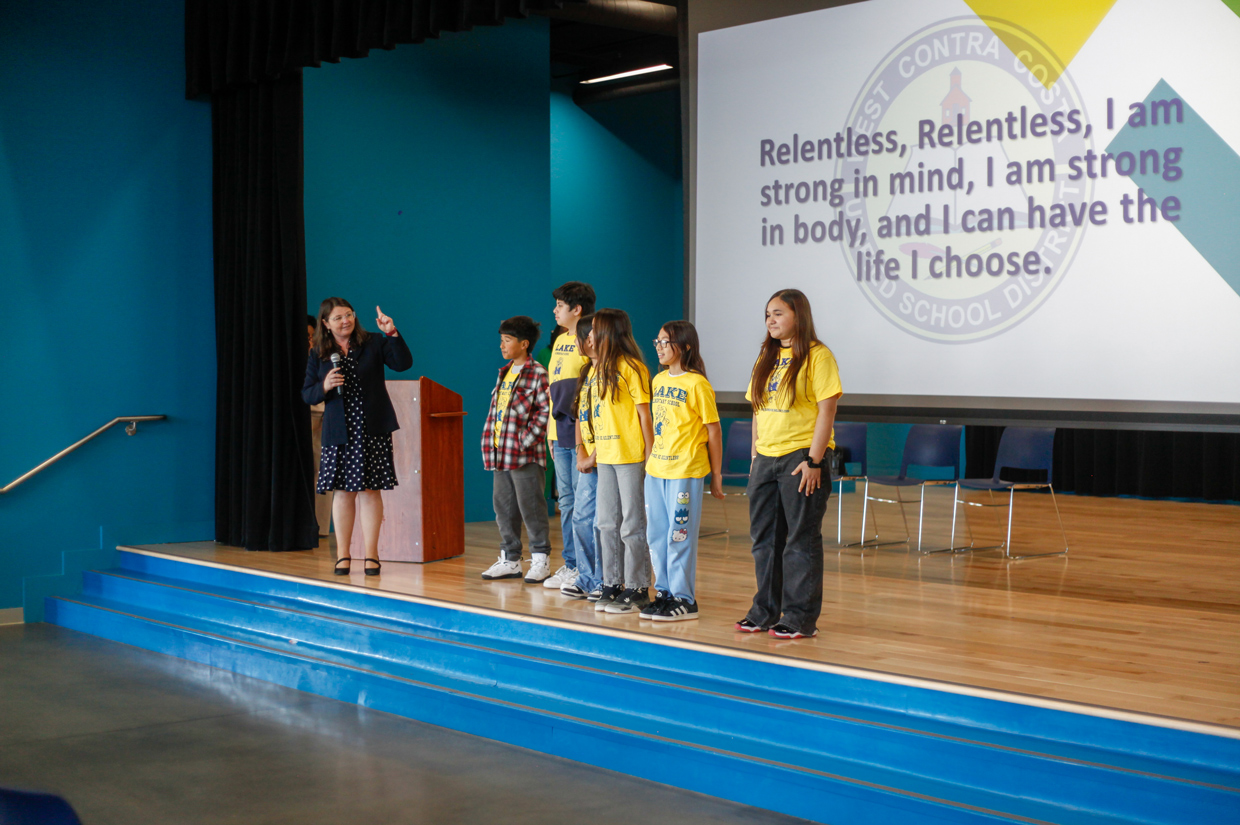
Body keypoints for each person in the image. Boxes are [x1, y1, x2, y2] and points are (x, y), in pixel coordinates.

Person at [736, 289, 842, 639]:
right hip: (766, 459)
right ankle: (764, 611)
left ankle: (799, 618)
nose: (771, 320)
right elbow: (757, 410)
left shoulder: (818, 356)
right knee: (764, 540)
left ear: (798, 315)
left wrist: (814, 460)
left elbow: (827, 410)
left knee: (800, 540)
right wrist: (754, 457)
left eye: (778, 313)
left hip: (800, 458)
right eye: (768, 313)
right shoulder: (765, 356)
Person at [302, 299, 413, 577]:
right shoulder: (319, 353)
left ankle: (372, 556)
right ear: (326, 324)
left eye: (349, 315)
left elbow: (403, 364)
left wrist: (392, 332)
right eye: (338, 318)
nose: (345, 321)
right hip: (339, 431)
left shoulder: (373, 342)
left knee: (370, 491)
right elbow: (308, 393)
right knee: (343, 492)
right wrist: (324, 386)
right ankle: (343, 555)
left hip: (371, 427)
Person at [641, 321, 724, 622]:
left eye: (667, 342)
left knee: (679, 535)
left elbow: (713, 432)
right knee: (656, 535)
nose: (660, 347)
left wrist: (715, 474)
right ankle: (664, 593)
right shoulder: (659, 380)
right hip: (657, 470)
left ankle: (684, 598)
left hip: (685, 470)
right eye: (658, 341)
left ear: (685, 346)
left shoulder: (697, 384)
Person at [585, 309, 653, 614]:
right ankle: (612, 582)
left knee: (632, 525)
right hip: (607, 458)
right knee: (605, 523)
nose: (590, 336)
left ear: (609, 333)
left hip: (630, 456)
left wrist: (650, 455)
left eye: (595, 330)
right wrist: (595, 452)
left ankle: (638, 586)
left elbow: (643, 414)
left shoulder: (632, 368)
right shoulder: (596, 369)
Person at [480, 316, 553, 582]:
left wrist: (525, 440)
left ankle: (540, 559)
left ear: (524, 344)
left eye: (507, 340)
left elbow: (546, 411)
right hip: (500, 453)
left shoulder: (538, 373)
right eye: (501, 340)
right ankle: (510, 559)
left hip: (524, 455)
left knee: (531, 507)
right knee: (503, 507)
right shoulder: (504, 372)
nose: (502, 345)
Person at [544, 282, 596, 592]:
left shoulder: (590, 340)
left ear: (577, 309)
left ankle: (588, 569)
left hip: (582, 434)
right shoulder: (560, 338)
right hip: (557, 432)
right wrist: (550, 435)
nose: (555, 311)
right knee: (567, 501)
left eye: (560, 306)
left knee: (585, 504)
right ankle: (572, 563)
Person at [564, 315, 600, 600]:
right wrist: (580, 450)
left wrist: (593, 457)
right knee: (581, 519)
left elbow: (617, 423)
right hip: (587, 458)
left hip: (607, 460)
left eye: (578, 337)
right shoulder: (587, 372)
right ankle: (586, 577)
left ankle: (603, 579)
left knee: (603, 523)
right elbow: (579, 414)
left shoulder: (614, 372)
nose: (574, 341)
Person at [307, 315, 333, 539]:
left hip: (323, 416)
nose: (309, 342)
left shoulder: (325, 355)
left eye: (311, 337)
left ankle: (320, 528)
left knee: (323, 472)